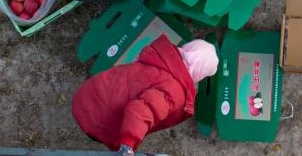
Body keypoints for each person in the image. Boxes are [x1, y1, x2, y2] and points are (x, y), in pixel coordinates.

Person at [72, 35, 218, 155]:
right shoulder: (174, 90)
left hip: (87, 94)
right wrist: (127, 145)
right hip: (98, 120)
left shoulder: (160, 58)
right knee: (104, 131)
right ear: (199, 72)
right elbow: (141, 111)